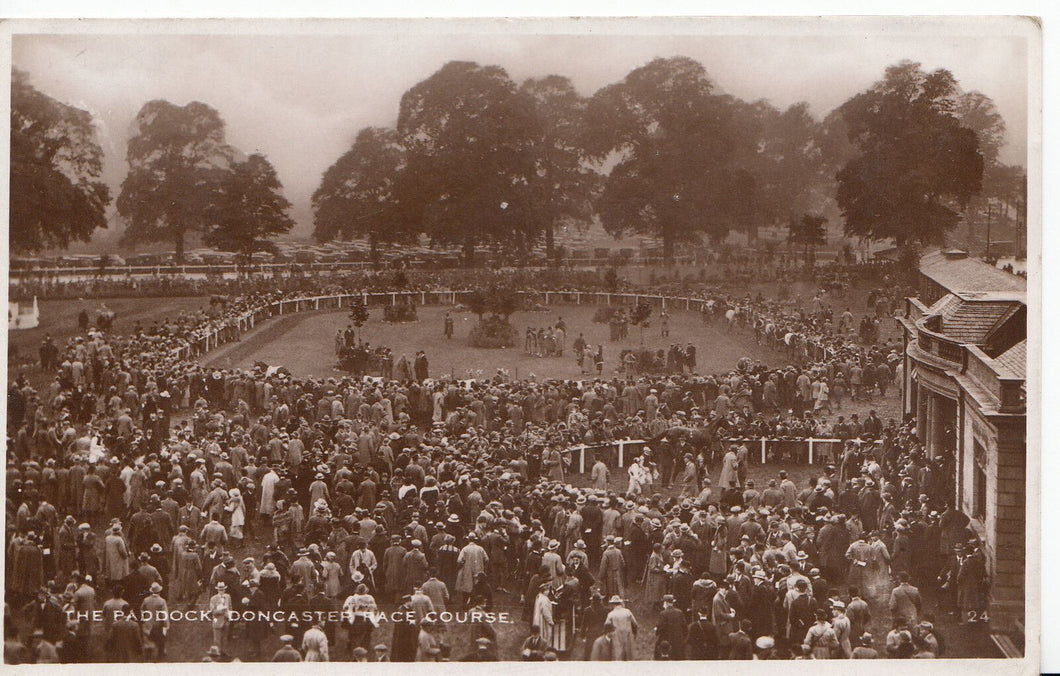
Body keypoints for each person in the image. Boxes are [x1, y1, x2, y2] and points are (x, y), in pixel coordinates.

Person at [605, 595, 638, 660]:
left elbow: (606, 625)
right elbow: (635, 624)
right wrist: (634, 634)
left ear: (613, 604)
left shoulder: (611, 614)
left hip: (616, 636)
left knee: (618, 654)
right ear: (620, 603)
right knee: (629, 654)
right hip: (628, 635)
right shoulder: (627, 612)